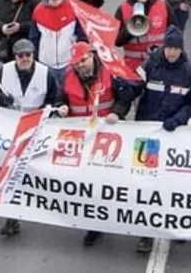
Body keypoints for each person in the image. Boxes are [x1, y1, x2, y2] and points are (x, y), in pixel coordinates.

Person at [121, 27, 191, 253]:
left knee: (173, 184)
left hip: (173, 135)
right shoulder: (150, 65)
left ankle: (174, 227)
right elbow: (134, 87)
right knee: (147, 185)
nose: (172, 53)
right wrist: (121, 97)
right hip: (147, 135)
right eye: (169, 48)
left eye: (176, 49)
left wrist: (178, 119)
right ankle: (147, 233)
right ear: (164, 47)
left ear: (181, 50)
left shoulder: (189, 72)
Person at [59, 43, 134, 247]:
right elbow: (59, 100)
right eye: (77, 64)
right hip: (81, 139)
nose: (80, 66)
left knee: (106, 181)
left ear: (92, 56)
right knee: (86, 184)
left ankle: (103, 221)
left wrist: (117, 112)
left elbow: (125, 98)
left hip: (106, 138)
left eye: (83, 61)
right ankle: (93, 223)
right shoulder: (68, 77)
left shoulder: (110, 73)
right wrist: (61, 108)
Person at [0, 38, 59, 236]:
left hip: (36, 129)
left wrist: (46, 115)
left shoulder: (46, 74)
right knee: (11, 172)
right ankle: (12, 217)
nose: (25, 59)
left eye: (28, 55)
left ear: (33, 55)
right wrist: (2, 102)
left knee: (28, 173)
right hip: (10, 129)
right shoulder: (2, 73)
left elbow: (54, 98)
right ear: (15, 56)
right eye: (21, 56)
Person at [114, 0, 178, 71]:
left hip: (158, 62)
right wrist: (131, 29)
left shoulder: (163, 5)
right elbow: (116, 41)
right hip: (132, 65)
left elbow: (175, 32)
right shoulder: (123, 9)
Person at [30, 0, 85, 83]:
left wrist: (78, 58)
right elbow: (34, 38)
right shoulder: (38, 11)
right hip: (45, 64)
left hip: (69, 64)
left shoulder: (74, 9)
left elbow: (82, 36)